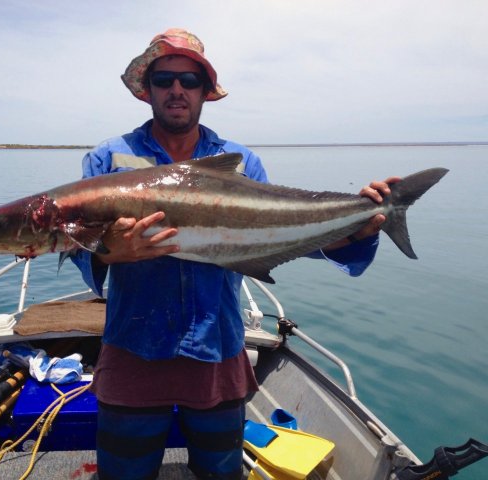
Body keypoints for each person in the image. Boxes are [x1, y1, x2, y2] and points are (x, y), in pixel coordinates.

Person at [71, 28, 398, 480]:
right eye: (165, 78)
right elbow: (76, 249)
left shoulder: (240, 161)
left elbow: (280, 236)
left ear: (206, 91)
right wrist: (108, 252)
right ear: (147, 90)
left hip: (216, 347)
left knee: (220, 473)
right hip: (133, 349)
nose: (177, 90)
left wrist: (357, 228)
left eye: (190, 80)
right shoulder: (108, 159)